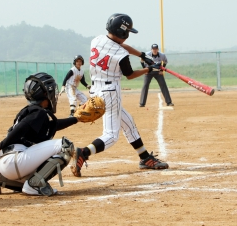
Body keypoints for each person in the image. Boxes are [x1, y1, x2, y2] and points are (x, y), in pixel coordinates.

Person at [70, 13, 169, 177]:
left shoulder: (97, 40)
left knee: (128, 122)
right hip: (110, 93)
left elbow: (120, 46)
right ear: (123, 33)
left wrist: (143, 56)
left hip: (95, 90)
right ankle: (84, 152)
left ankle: (145, 158)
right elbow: (129, 74)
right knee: (111, 135)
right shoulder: (121, 54)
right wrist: (150, 69)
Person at [0, 73, 77, 196]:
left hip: (8, 163)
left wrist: (76, 118)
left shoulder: (31, 111)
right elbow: (21, 127)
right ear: (44, 94)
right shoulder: (39, 113)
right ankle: (35, 184)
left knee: (29, 177)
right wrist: (2, 143)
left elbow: (53, 125)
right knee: (66, 145)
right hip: (16, 161)